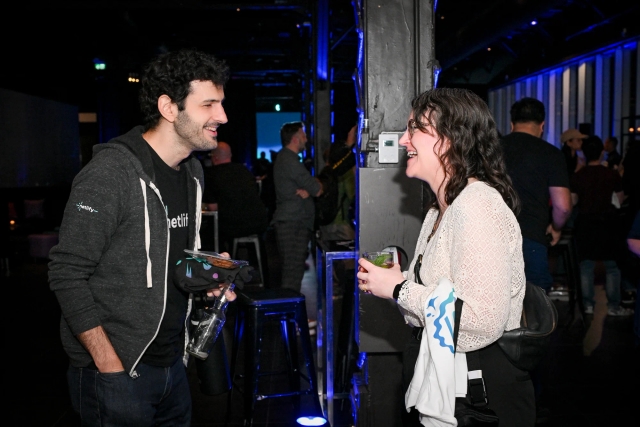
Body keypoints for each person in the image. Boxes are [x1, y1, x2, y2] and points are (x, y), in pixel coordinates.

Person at [48, 49, 238, 427]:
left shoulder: (191, 173)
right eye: (209, 105)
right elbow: (66, 273)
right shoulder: (111, 174)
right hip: (117, 373)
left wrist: (207, 276)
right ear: (169, 108)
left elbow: (170, 257)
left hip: (172, 365)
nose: (223, 116)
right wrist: (109, 364)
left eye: (222, 104)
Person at [356, 88, 534, 426]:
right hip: (455, 384)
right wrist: (398, 280)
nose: (405, 140)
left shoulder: (477, 205)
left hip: (481, 396)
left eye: (415, 129)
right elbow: (438, 299)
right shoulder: (442, 208)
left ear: (450, 139)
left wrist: (399, 289)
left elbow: (481, 320)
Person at [501, 97, 572, 291]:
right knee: (535, 305)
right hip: (531, 237)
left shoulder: (492, 149)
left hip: (492, 237)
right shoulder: (551, 154)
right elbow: (563, 206)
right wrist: (556, 228)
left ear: (512, 124)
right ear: (542, 125)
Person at [570, 136, 633, 316]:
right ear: (602, 152)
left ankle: (588, 305)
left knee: (586, 265)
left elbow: (573, 201)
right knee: (612, 266)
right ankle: (614, 306)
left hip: (586, 223)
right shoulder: (611, 174)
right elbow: (619, 200)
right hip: (609, 223)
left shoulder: (578, 176)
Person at [272, 121, 323, 293]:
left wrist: (308, 190)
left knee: (292, 271)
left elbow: (311, 189)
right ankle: (291, 317)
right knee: (292, 273)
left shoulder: (286, 159)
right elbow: (317, 189)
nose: (306, 139)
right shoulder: (290, 161)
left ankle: (291, 316)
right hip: (293, 223)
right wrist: (311, 189)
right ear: (295, 139)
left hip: (291, 221)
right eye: (303, 136)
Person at [202, 141, 269, 254]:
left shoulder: (210, 175)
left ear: (215, 157)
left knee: (208, 233)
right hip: (260, 222)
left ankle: (221, 265)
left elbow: (213, 208)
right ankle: (255, 264)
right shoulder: (244, 171)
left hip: (234, 226)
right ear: (230, 156)